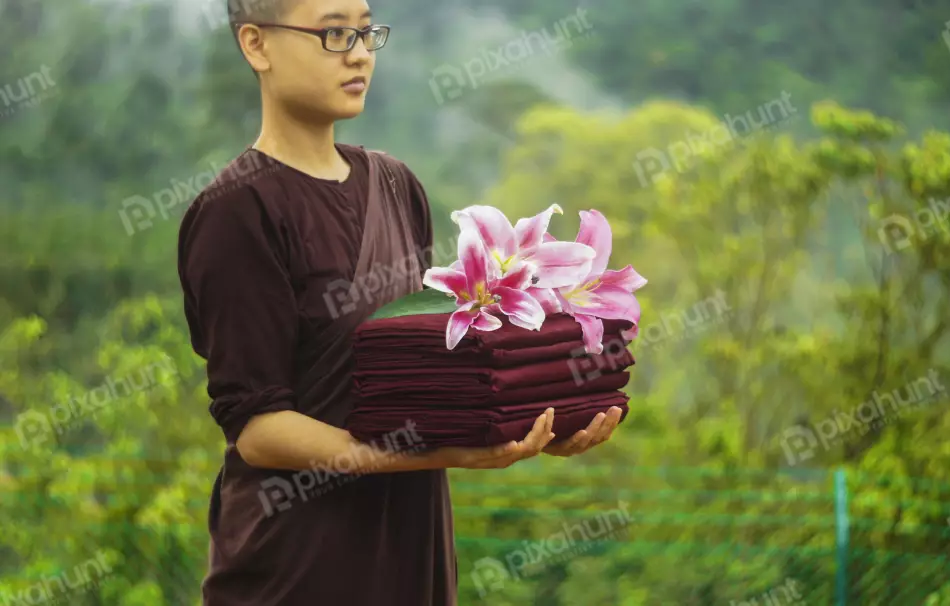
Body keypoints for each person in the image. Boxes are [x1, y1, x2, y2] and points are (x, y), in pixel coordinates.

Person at [176, 0, 624, 604]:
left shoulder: (395, 184)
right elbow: (259, 429)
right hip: (296, 567)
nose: (360, 53)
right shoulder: (237, 211)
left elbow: (422, 370)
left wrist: (540, 415)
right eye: (334, 33)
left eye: (365, 32)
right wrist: (445, 453)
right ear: (256, 45)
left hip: (414, 557)